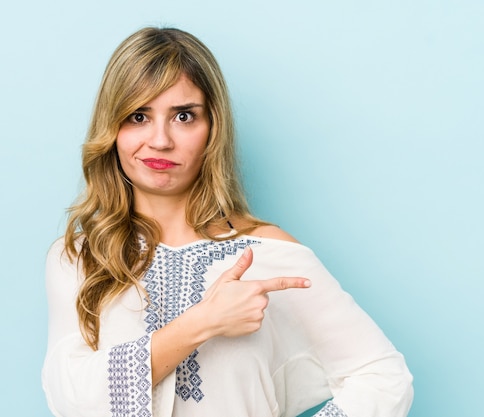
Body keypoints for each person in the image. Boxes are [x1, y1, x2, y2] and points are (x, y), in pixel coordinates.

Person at [42, 27, 413, 417]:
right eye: (138, 116)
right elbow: (71, 400)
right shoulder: (80, 256)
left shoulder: (268, 252)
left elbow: (383, 376)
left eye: (183, 116)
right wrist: (203, 322)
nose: (160, 140)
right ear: (112, 128)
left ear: (213, 128)